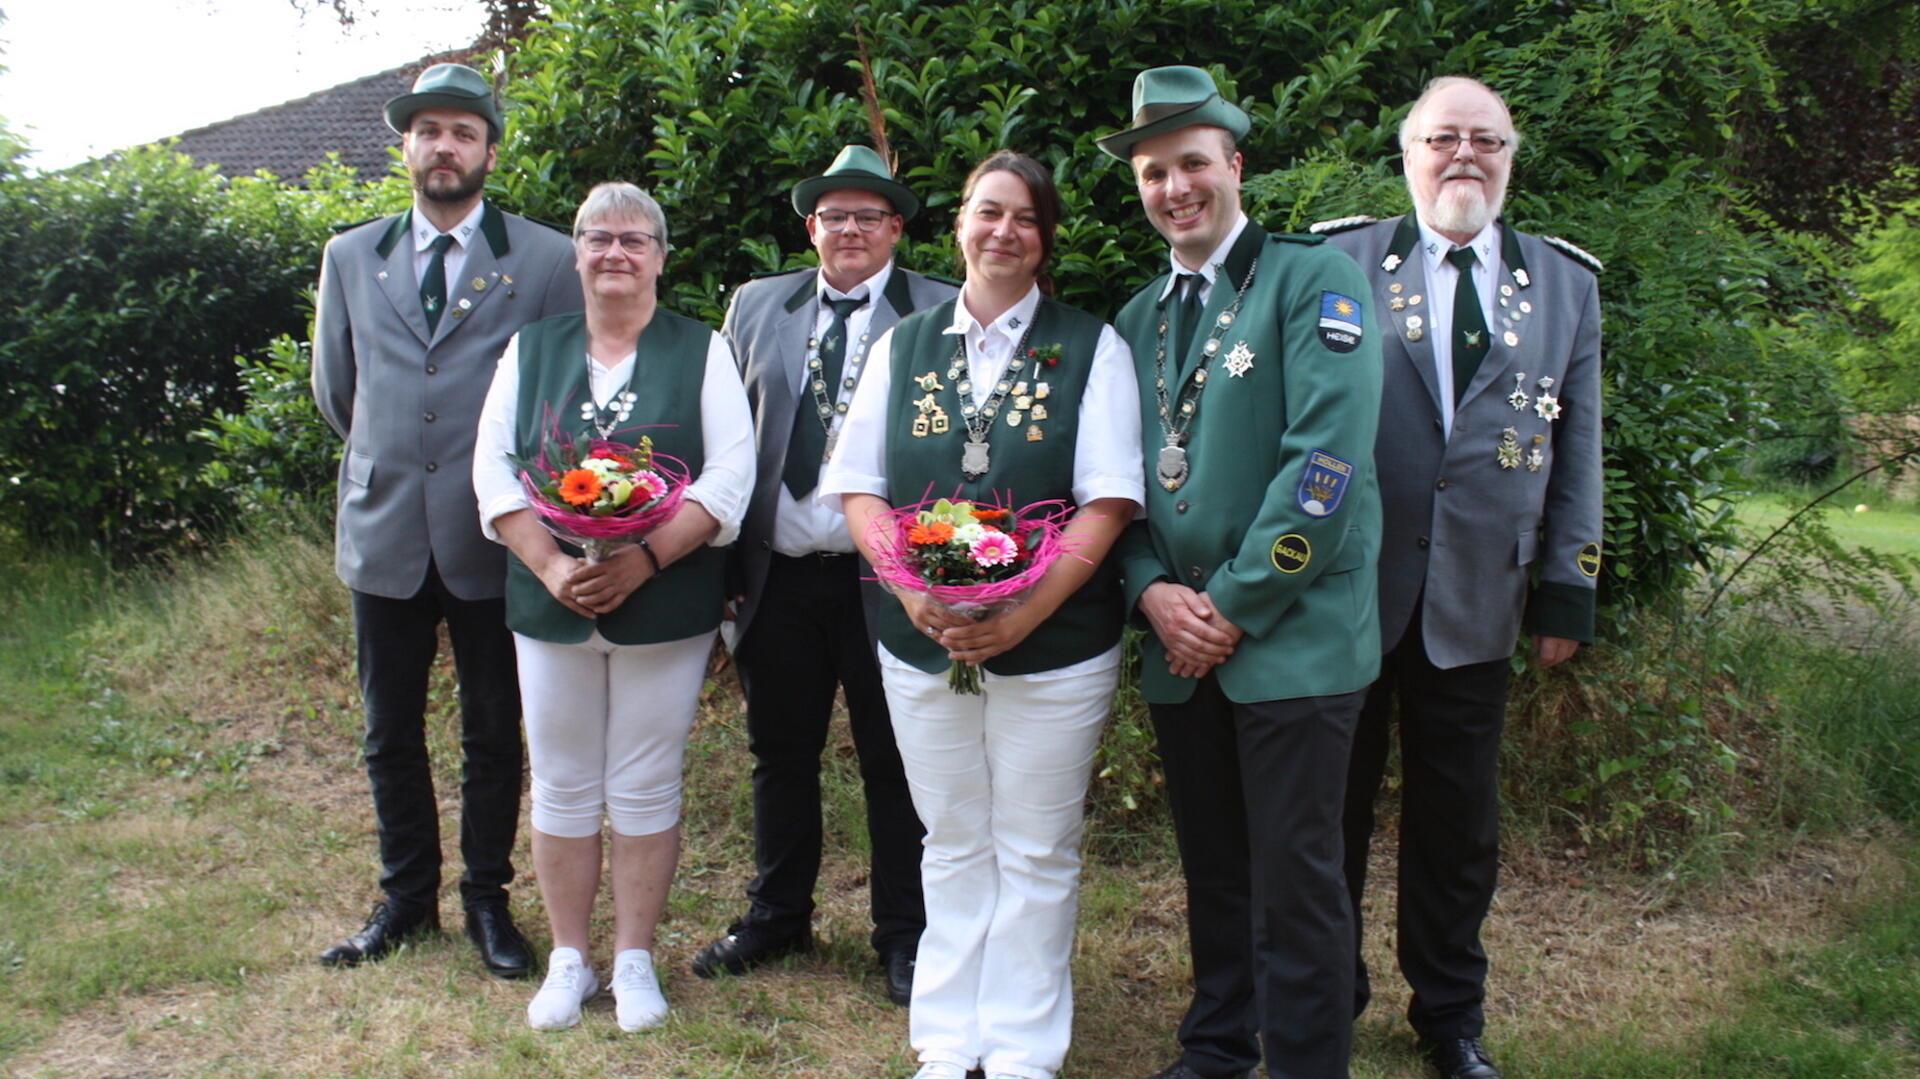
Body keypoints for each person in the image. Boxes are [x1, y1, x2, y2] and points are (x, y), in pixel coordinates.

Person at [820, 150, 1144, 1079]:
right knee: (954, 836)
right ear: (959, 223)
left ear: (1046, 242)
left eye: (1026, 220)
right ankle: (947, 1036)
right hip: (920, 641)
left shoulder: (1092, 345)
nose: (1005, 232)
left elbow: (1110, 501)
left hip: (1057, 646)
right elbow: (859, 489)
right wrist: (914, 588)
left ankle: (1020, 1048)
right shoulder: (905, 344)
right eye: (988, 212)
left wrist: (1024, 614)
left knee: (1038, 844)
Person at [1099, 66, 1384, 1079]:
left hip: (1294, 636)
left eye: (1191, 164)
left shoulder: (1317, 282)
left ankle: (1306, 1060)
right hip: (1181, 641)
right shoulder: (1134, 321)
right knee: (1216, 868)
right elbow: (1116, 486)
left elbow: (1328, 463)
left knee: (1298, 878)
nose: (1175, 187)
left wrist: (1230, 602)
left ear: (1234, 165)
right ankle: (1217, 1045)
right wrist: (1149, 591)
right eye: (1153, 172)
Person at [1316, 76, 1604, 1079]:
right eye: (1444, 138)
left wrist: (1568, 584)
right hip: (1345, 592)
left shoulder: (1567, 285)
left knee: (1457, 826)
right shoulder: (1338, 261)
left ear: (1512, 158)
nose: (1465, 157)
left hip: (1483, 594)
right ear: (1408, 154)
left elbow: (1580, 452)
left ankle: (1450, 1015)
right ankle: (1325, 991)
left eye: (1487, 140)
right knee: (1329, 810)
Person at [311, 61, 583, 978]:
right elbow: (338, 392)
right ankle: (404, 896)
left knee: (493, 727)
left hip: (493, 534)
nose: (444, 145)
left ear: (489, 151)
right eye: (428, 129)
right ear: (406, 146)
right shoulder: (351, 256)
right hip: (383, 527)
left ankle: (486, 899)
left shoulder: (546, 260)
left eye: (463, 132)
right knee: (389, 727)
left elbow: (562, 398)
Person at [472, 181, 754, 1031]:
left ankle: (633, 958)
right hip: (550, 600)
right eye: (598, 238)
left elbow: (729, 474)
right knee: (560, 782)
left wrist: (646, 558)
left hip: (665, 604)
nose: (615, 254)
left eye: (634, 240)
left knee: (642, 782)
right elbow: (492, 469)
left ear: (661, 257)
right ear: (577, 253)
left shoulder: (699, 349)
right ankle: (568, 958)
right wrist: (552, 566)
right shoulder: (532, 348)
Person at [695, 146, 954, 1005]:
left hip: (889, 579)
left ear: (896, 229)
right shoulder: (756, 306)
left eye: (868, 216)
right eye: (834, 215)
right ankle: (778, 914)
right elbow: (729, 441)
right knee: (780, 750)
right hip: (780, 573)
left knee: (895, 757)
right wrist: (725, 566)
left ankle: (905, 933)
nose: (850, 229)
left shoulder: (942, 312)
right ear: (811, 227)